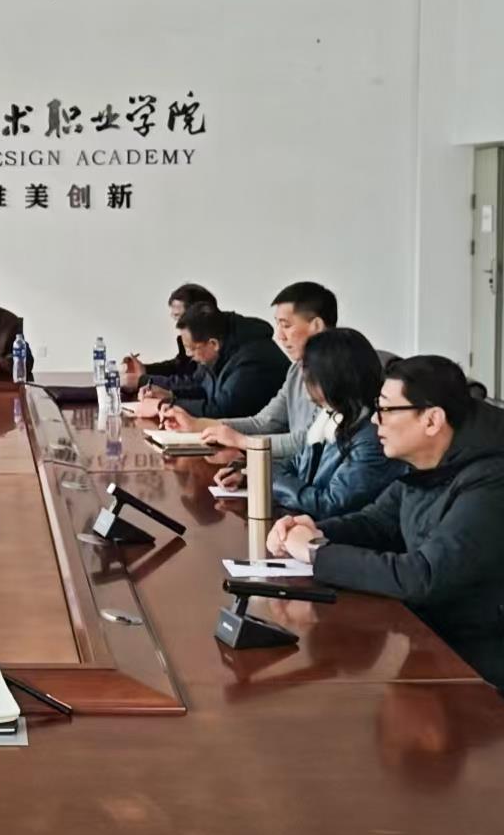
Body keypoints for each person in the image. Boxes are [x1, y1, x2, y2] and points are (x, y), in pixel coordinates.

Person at [268, 355, 504, 688]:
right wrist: (311, 529)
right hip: (429, 641)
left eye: (386, 410)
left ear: (432, 420)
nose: (375, 420)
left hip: (477, 670)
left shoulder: (491, 481)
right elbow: (376, 523)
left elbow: (423, 576)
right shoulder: (429, 463)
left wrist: (316, 552)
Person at [163, 282, 337, 482]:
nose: (279, 336)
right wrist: (198, 424)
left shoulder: (340, 373)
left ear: (317, 326)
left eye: (286, 325)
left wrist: (242, 442)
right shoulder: (297, 370)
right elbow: (264, 422)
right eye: (278, 325)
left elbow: (308, 441)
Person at [271, 329, 407, 519]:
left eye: (309, 377)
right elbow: (295, 464)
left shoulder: (372, 435)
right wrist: (254, 475)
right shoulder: (329, 417)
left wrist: (271, 479)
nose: (305, 385)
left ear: (333, 377)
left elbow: (329, 504)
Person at [138, 303, 288, 419]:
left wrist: (164, 405)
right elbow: (202, 388)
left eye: (191, 348)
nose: (189, 355)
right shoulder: (221, 350)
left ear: (213, 344)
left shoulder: (252, 360)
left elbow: (222, 411)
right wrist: (170, 395)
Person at [121, 282, 217, 394]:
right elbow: (178, 367)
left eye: (178, 316)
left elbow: (193, 383)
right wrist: (145, 370)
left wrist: (142, 380)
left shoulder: (208, 345)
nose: (177, 323)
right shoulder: (190, 338)